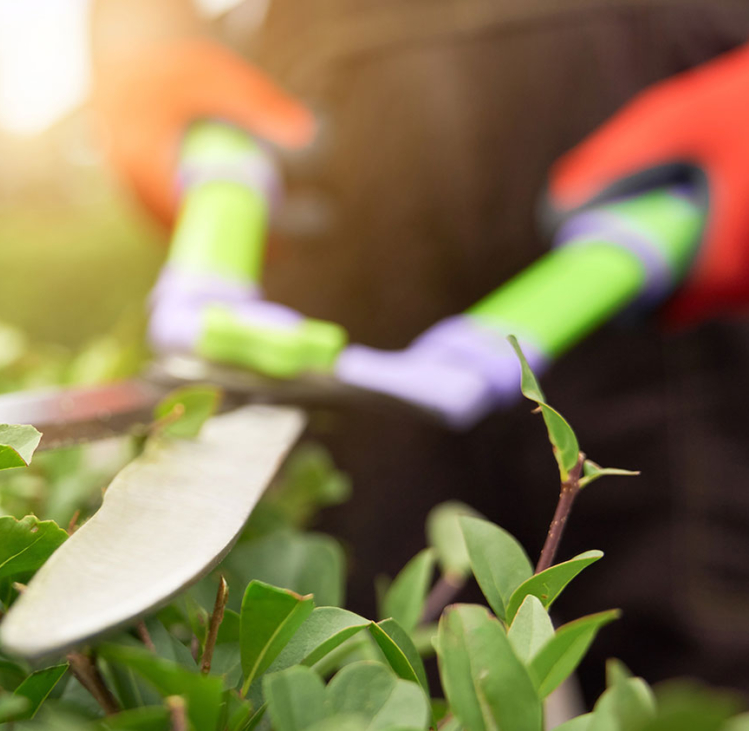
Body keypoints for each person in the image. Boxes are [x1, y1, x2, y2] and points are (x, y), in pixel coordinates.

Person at [90, 0, 749, 697]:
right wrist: (143, 37)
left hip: (664, 91)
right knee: (350, 669)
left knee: (704, 682)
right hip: (339, 128)